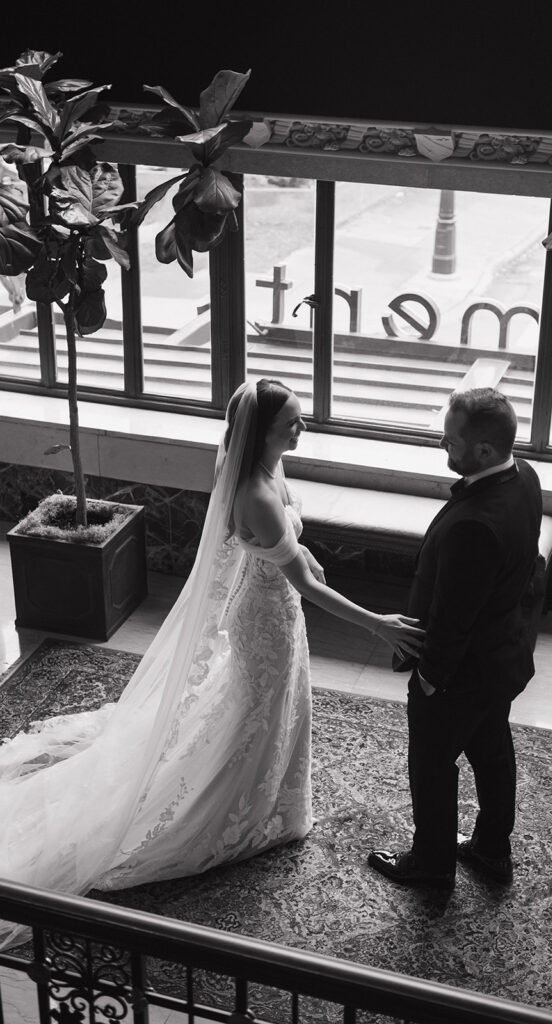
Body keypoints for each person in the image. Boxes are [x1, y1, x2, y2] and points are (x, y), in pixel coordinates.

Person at [0, 378, 423, 949]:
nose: (302, 428)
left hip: (275, 604)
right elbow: (298, 578)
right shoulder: (255, 492)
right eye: (291, 424)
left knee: (278, 705)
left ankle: (275, 798)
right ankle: (230, 809)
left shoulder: (269, 470)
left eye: (299, 419)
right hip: (265, 618)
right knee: (259, 707)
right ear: (263, 433)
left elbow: (284, 550)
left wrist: (305, 553)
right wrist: (379, 624)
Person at [368, 387, 542, 890]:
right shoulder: (524, 475)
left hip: (461, 672)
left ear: (484, 450)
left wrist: (429, 678)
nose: (444, 447)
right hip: (502, 657)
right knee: (491, 749)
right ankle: (491, 849)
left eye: (451, 442)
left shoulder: (474, 525)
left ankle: (431, 864)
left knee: (432, 764)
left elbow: (452, 617)